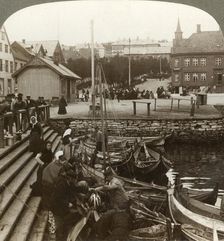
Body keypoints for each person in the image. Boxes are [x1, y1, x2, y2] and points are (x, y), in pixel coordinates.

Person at [92, 167, 131, 241]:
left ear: (111, 176)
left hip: (123, 203)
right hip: (116, 203)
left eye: (107, 177)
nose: (106, 178)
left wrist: (98, 188)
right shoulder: (110, 181)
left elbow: (109, 188)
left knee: (119, 216)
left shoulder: (115, 181)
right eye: (105, 177)